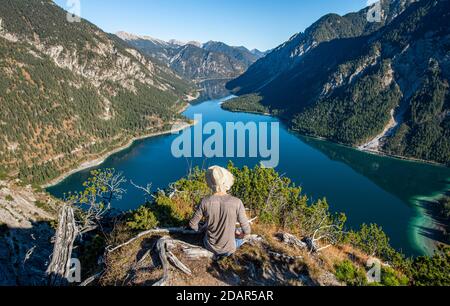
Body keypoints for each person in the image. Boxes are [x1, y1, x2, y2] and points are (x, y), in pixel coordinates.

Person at [189, 166, 251, 256]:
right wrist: (239, 235)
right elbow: (247, 230)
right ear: (225, 182)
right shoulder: (237, 202)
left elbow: (192, 224)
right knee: (239, 231)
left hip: (210, 246)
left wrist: (202, 229)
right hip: (229, 249)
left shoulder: (205, 201)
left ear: (210, 183)